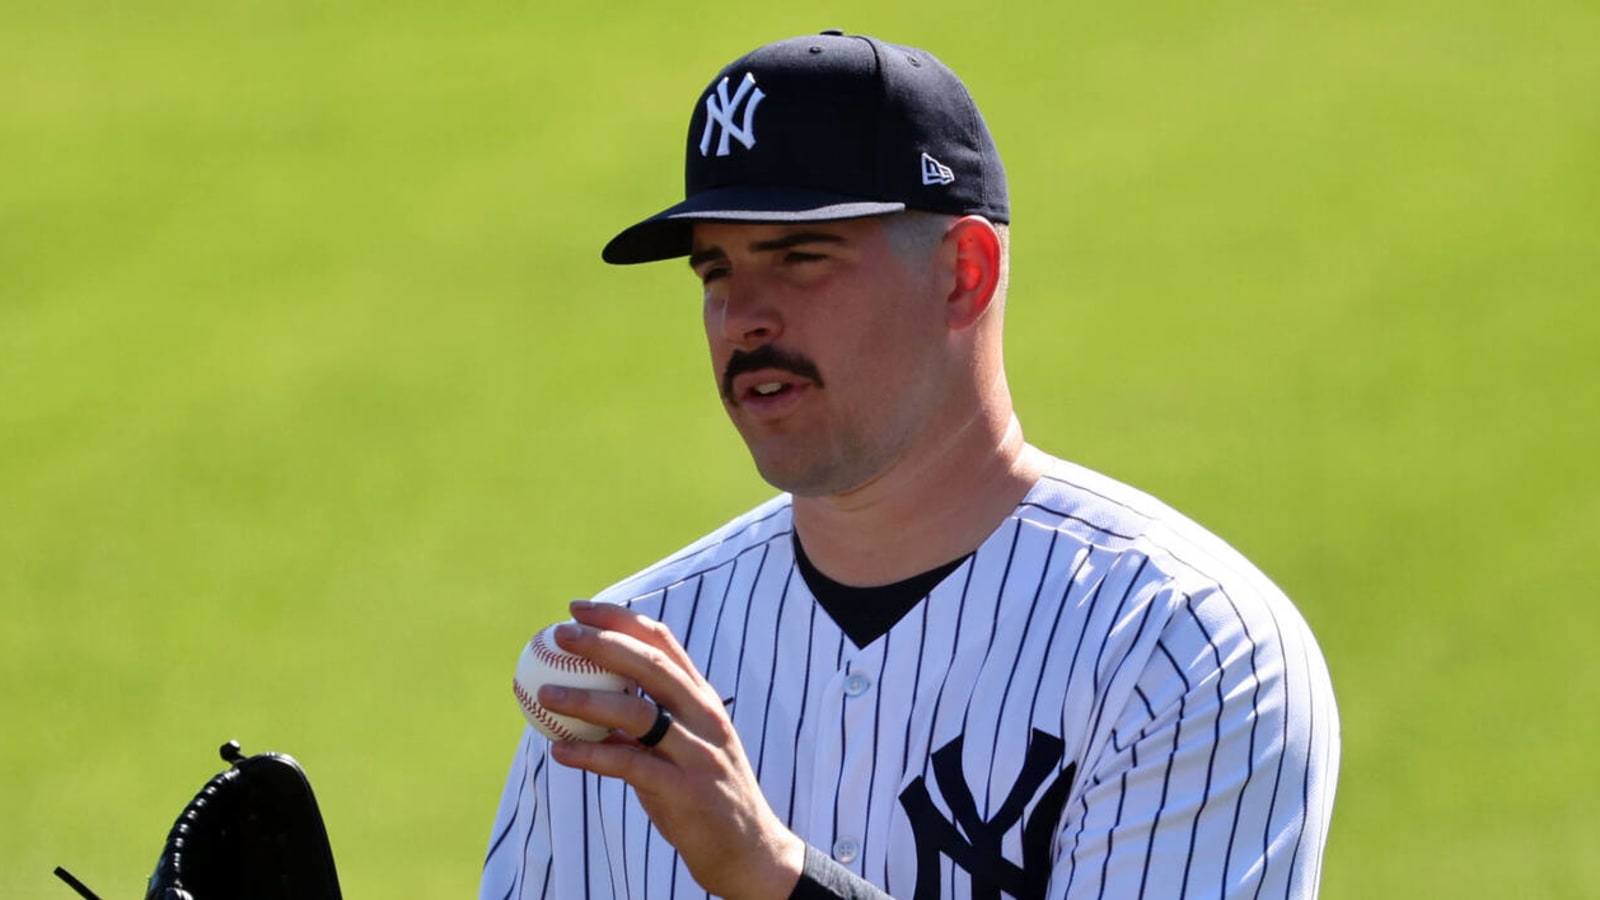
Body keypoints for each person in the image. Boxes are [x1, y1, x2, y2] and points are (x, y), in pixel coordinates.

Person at [480, 31, 1339, 900]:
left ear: (964, 273)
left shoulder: (1178, 646)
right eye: (715, 270)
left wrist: (774, 878)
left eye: (799, 258)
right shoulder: (617, 680)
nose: (742, 318)